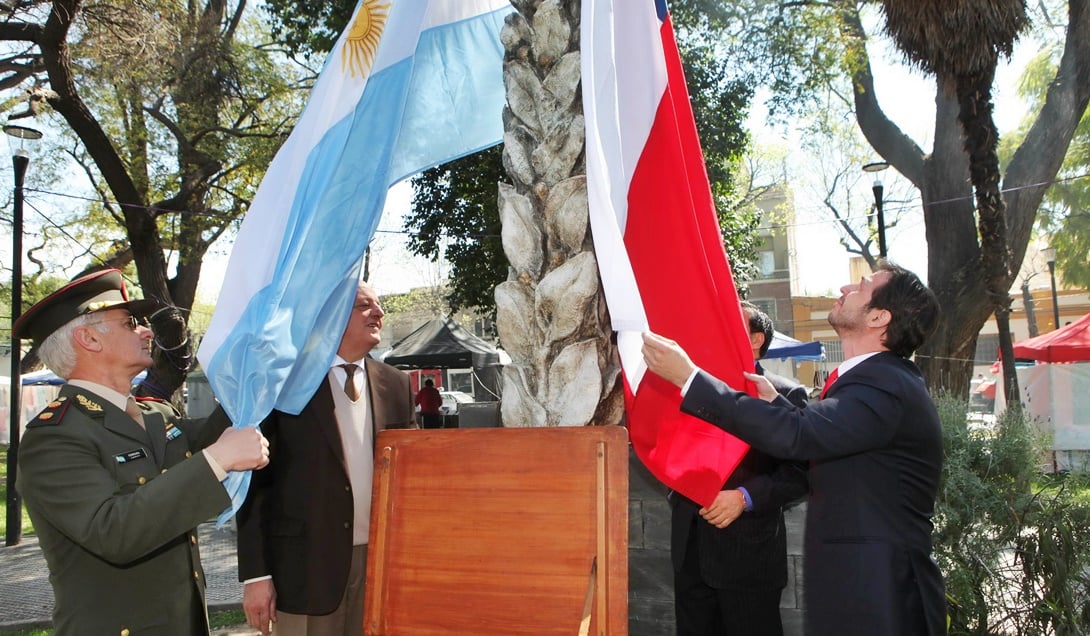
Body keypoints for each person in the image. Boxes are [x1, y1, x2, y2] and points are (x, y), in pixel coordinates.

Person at [642, 262, 946, 636]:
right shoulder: (875, 381)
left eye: (862, 286)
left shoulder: (884, 383)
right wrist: (780, 409)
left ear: (879, 317)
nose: (845, 285)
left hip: (880, 591)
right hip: (857, 586)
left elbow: (799, 437)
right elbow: (820, 439)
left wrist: (690, 379)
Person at [13, 268, 270, 635]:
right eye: (130, 323)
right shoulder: (53, 438)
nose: (146, 331)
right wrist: (218, 459)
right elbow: (113, 530)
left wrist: (255, 369)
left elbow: (209, 437)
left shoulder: (155, 415)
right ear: (89, 339)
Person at [237, 281, 416, 636]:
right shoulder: (283, 383)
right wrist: (257, 575)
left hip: (381, 566)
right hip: (306, 571)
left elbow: (410, 477)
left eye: (377, 305)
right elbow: (253, 484)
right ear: (330, 315)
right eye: (364, 306)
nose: (378, 313)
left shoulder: (396, 384)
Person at [670, 302, 809, 636]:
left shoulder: (785, 393)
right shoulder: (691, 391)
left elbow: (802, 471)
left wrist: (745, 497)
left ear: (756, 339)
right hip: (690, 550)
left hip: (749, 558)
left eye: (729, 324)